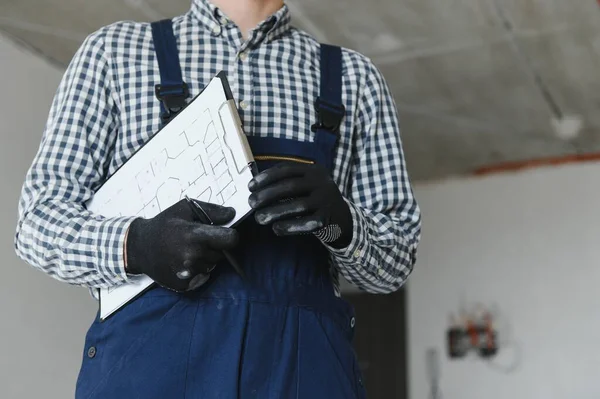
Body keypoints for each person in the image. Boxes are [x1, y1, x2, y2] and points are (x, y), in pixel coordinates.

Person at [14, 0, 421, 397]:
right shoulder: (115, 54)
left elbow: (395, 263)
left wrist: (342, 224)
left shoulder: (355, 79)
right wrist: (135, 246)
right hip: (151, 373)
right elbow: (37, 221)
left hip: (302, 373)